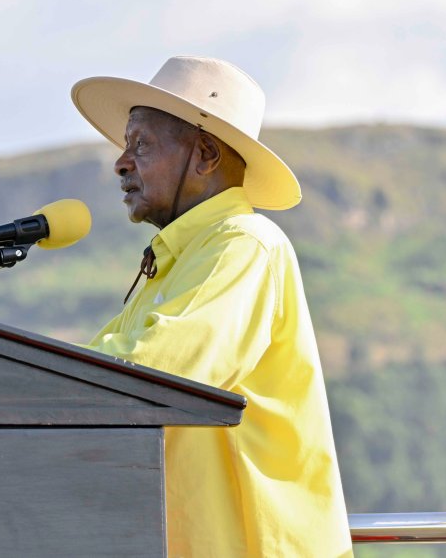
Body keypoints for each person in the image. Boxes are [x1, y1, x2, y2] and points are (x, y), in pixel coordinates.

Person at [71, 57, 353, 556]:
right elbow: (96, 375)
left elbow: (148, 376)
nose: (121, 162)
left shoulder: (243, 244)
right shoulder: (182, 262)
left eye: (141, 145)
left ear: (203, 155)